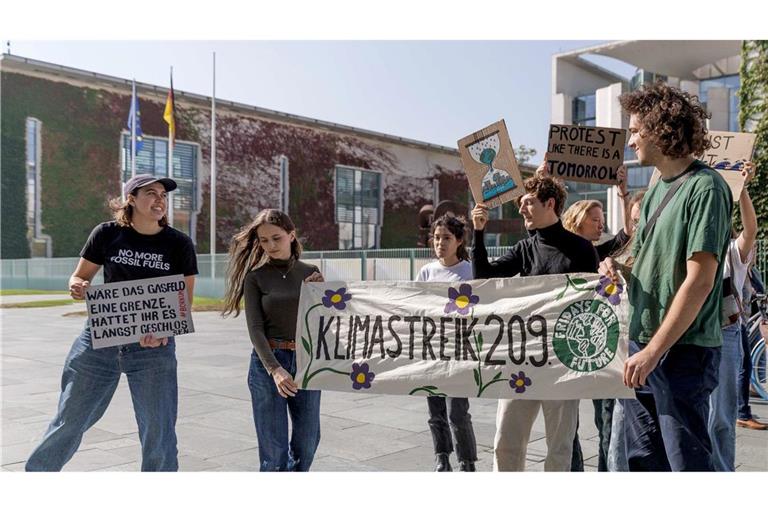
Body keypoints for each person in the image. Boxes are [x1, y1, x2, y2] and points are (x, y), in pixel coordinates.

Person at [600, 82, 732, 471]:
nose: (630, 141)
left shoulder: (706, 187)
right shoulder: (656, 190)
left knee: (685, 466)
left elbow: (701, 281)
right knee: (644, 465)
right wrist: (615, 266)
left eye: (637, 130)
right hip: (645, 346)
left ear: (662, 129)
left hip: (681, 353)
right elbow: (643, 258)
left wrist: (654, 351)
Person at [25, 174, 198, 472]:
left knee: (159, 432)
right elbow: (81, 276)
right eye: (151, 193)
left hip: (153, 349)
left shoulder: (179, 243)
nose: (160, 199)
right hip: (98, 340)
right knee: (69, 420)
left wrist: (162, 330)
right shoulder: (106, 234)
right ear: (131, 198)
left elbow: (184, 301)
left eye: (163, 195)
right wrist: (77, 286)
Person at [472, 174, 599, 471]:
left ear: (550, 203)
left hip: (562, 362)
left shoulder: (581, 249)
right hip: (522, 360)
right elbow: (482, 279)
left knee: (559, 447)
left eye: (528, 203)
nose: (521, 209)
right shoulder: (524, 249)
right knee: (506, 441)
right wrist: (478, 232)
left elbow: (589, 306)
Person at [223, 209, 324, 471]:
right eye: (264, 240)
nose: (270, 246)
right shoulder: (255, 278)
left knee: (308, 440)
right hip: (267, 365)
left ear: (292, 236)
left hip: (305, 361)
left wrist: (322, 294)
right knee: (273, 450)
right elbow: (255, 328)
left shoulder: (311, 273)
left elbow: (324, 320)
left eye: (276, 238)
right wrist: (275, 369)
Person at [560, 174, 633, 472]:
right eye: (595, 219)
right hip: (567, 348)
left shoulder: (600, 253)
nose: (601, 224)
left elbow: (626, 235)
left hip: (602, 348)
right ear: (578, 221)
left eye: (602, 218)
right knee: (567, 424)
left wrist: (623, 194)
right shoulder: (562, 255)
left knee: (605, 419)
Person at [416, 214, 478, 472]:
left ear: (459, 240)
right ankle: (442, 457)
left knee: (457, 411)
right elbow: (414, 303)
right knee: (436, 411)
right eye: (437, 238)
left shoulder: (469, 270)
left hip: (459, 349)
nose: (440, 243)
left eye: (446, 238)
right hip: (432, 348)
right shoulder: (426, 271)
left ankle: (467, 462)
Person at [707, 162, 758, 470]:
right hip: (692, 333)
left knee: (722, 416)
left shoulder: (731, 252)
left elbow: (751, 230)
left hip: (724, 334)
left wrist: (743, 190)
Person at [738, 261, 768, 430]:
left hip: (747, 320)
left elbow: (762, 295)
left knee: (746, 364)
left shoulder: (752, 271)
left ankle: (742, 410)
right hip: (736, 323)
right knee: (744, 365)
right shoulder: (735, 267)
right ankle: (742, 414)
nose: (754, 251)